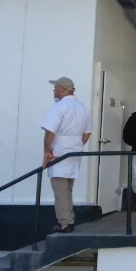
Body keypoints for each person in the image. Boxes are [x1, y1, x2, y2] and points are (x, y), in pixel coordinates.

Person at [41, 77, 92, 233]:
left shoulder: (59, 107)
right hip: (75, 152)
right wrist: (76, 145)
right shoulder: (84, 108)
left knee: (60, 191)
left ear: (62, 90)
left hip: (58, 153)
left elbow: (50, 132)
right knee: (68, 189)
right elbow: (87, 133)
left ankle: (64, 223)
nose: (53, 91)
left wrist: (47, 152)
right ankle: (69, 220)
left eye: (55, 88)